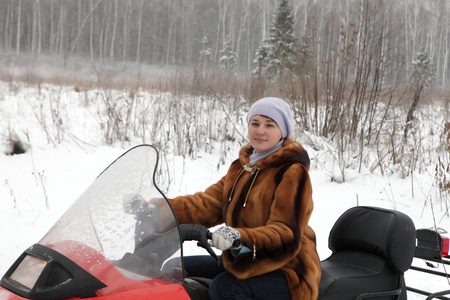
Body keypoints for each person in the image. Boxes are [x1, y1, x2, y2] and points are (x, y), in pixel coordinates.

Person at [168, 97, 321, 299]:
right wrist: (162, 210)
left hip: (289, 268)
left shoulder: (292, 172)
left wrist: (239, 237)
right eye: (255, 123)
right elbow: (208, 204)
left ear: (282, 131)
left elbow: (285, 233)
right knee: (174, 269)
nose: (260, 130)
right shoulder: (242, 167)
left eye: (270, 125)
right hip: (244, 260)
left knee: (226, 288)